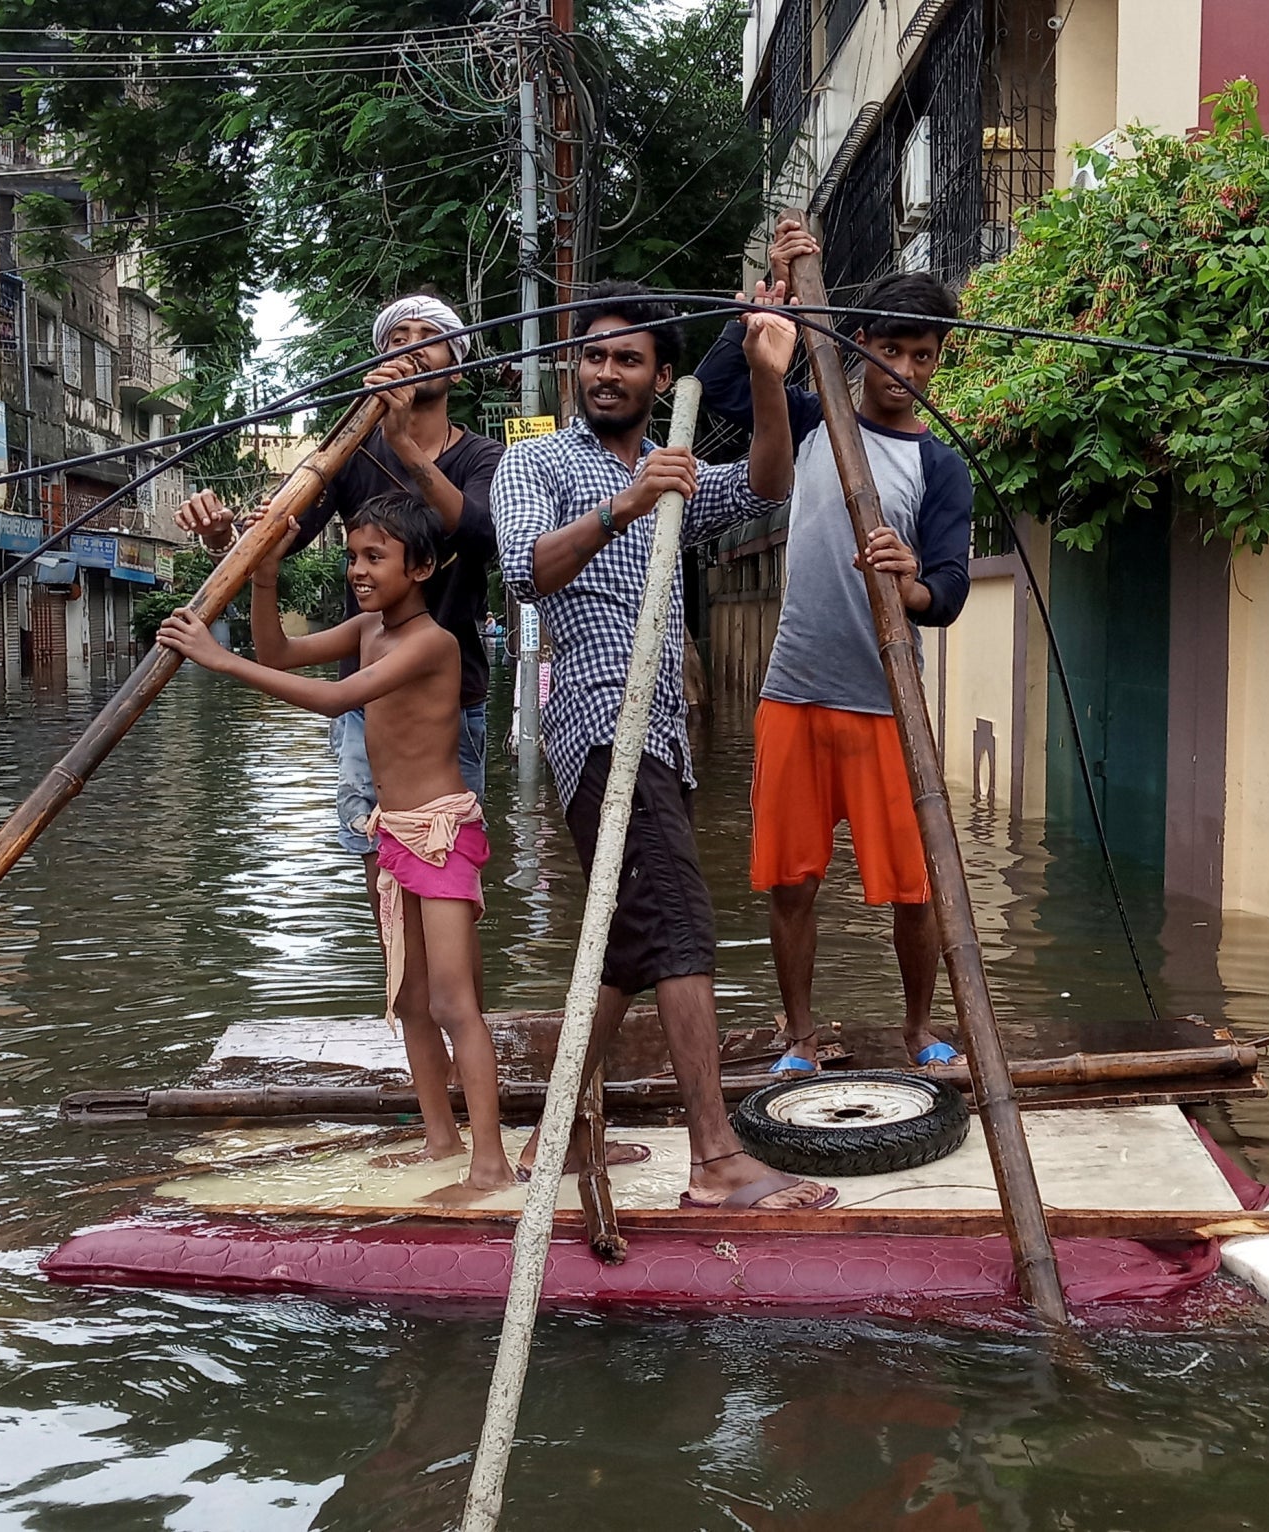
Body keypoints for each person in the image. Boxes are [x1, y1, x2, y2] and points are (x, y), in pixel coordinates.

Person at [492, 278, 835, 1213]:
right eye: (594, 356)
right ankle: (716, 1157)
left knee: (628, 945)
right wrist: (626, 505)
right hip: (600, 727)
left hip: (665, 739)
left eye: (627, 359)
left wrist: (769, 375)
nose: (607, 372)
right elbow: (525, 571)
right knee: (680, 924)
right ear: (575, 367)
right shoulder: (543, 467)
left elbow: (766, 481)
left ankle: (554, 1139)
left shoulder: (677, 469)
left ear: (661, 376)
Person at [157, 493, 511, 1200]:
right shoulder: (369, 629)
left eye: (374, 557)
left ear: (422, 567)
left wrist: (217, 662)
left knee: (453, 1003)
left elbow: (332, 699)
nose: (357, 569)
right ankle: (440, 1140)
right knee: (408, 1001)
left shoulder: (432, 644)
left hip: (442, 834)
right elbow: (280, 651)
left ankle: (491, 1162)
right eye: (352, 556)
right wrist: (264, 574)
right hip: (393, 836)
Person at [694, 218, 974, 1076]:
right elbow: (721, 388)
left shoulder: (941, 468)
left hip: (888, 701)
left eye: (925, 355)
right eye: (895, 350)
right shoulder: (812, 419)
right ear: (859, 345)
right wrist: (762, 314)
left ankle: (919, 1028)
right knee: (793, 882)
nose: (909, 372)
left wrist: (908, 578)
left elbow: (950, 593)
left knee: (914, 887)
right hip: (795, 691)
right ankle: (800, 1035)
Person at [176, 294, 503, 1015]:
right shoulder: (348, 455)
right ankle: (414, 1043)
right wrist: (225, 538)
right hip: (365, 713)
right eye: (398, 337)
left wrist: (410, 452)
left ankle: (463, 1034)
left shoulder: (481, 455)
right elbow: (281, 542)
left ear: (458, 360)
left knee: (450, 893)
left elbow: (481, 536)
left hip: (453, 711)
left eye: (430, 339)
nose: (412, 347)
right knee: (383, 882)